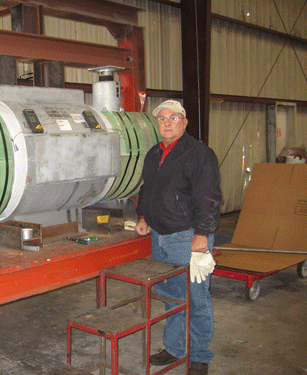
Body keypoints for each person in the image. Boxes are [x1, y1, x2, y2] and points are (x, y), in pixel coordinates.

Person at [135, 100, 222, 375]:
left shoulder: (199, 154)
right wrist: (142, 216)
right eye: (162, 118)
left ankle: (199, 355)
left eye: (174, 117)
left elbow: (209, 197)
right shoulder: (153, 154)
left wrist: (202, 235)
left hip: (187, 238)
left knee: (196, 298)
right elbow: (148, 189)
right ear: (157, 124)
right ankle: (174, 348)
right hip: (160, 237)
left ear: (184, 122)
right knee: (170, 296)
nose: (168, 122)